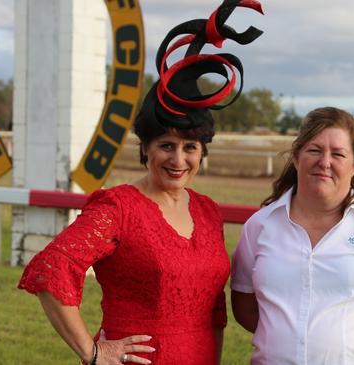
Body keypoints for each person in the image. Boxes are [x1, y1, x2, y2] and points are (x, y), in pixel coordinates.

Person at [18, 1, 263, 364]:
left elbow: (214, 313)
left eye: (190, 148)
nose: (178, 160)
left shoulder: (208, 211)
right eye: (166, 145)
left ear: (201, 151)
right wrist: (93, 351)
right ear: (145, 148)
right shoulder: (118, 208)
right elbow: (51, 270)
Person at [231, 107, 354, 365]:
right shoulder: (259, 226)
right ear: (296, 157)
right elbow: (246, 309)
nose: (325, 162)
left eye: (338, 154)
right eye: (314, 150)